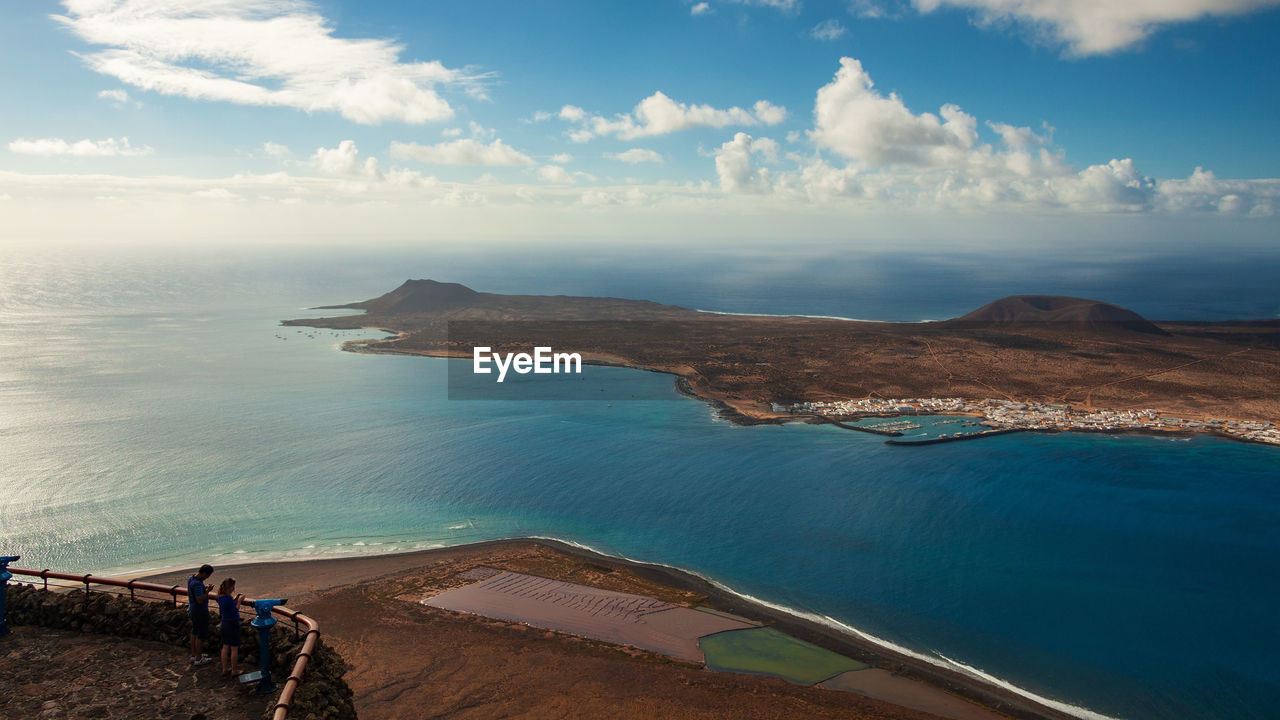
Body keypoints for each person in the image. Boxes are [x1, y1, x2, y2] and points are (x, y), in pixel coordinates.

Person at [215, 577, 245, 678]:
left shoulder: (220, 597)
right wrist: (240, 600)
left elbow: (228, 606)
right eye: (233, 587)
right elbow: (234, 610)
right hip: (232, 623)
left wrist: (235, 599)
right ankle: (234, 670)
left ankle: (224, 669)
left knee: (225, 647)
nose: (234, 589)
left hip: (224, 623)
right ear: (230, 587)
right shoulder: (228, 599)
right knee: (234, 648)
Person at [187, 564, 215, 665]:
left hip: (192, 609)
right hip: (199, 611)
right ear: (203, 573)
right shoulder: (197, 584)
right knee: (201, 633)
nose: (207, 578)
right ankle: (198, 658)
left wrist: (204, 588)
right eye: (207, 575)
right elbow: (199, 599)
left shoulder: (191, 578)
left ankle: (194, 654)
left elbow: (195, 594)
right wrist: (207, 591)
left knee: (194, 631)